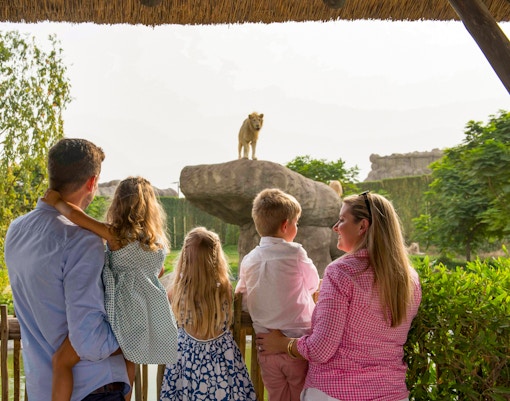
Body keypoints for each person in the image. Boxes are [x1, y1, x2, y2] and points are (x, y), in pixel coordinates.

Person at [256, 191, 422, 401]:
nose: (335, 227)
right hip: (392, 393)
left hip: (336, 392)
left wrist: (282, 344)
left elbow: (320, 349)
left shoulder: (342, 272)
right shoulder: (410, 279)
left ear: (362, 226)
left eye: (342, 220)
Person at [4, 138, 129, 401]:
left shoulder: (16, 231)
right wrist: (136, 334)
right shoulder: (81, 240)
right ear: (92, 182)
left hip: (43, 388)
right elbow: (90, 340)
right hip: (93, 390)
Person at [42, 176, 179, 401]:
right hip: (141, 321)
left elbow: (78, 218)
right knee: (129, 362)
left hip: (119, 319)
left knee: (62, 361)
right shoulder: (157, 245)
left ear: (119, 204)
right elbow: (159, 271)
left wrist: (57, 202)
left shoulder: (117, 237)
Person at [235, 188, 320, 401]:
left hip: (265, 346)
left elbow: (241, 293)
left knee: (276, 395)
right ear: (285, 226)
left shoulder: (249, 259)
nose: (297, 227)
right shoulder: (296, 253)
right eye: (296, 222)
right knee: (301, 395)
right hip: (296, 343)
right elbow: (312, 284)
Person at [160, 227, 257, 401]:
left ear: (185, 257)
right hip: (221, 357)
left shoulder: (177, 291)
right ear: (216, 257)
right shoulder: (224, 289)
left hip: (188, 357)